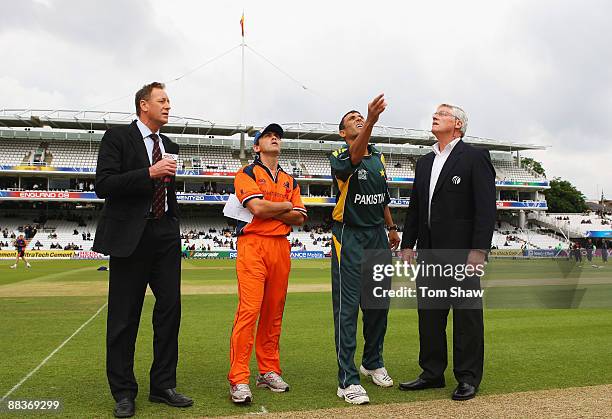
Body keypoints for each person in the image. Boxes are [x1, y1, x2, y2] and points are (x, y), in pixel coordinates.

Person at [93, 82, 192, 418]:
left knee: (170, 311)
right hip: (129, 237)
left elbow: (168, 189)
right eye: (162, 100)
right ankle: (123, 391)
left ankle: (163, 385)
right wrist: (149, 172)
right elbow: (103, 185)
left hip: (164, 234)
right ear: (143, 104)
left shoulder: (171, 144)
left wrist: (173, 223)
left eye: (169, 100)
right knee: (124, 317)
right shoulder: (117, 138)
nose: (168, 105)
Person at [399, 104, 496, 401]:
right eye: (434, 113)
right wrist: (407, 243)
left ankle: (467, 377)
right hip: (428, 252)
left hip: (462, 252)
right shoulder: (425, 161)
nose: (435, 115)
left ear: (457, 124)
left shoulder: (475, 157)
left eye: (442, 113)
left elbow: (485, 208)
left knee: (466, 318)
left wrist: (479, 249)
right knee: (429, 316)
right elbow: (416, 207)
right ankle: (432, 373)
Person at [330, 94, 401, 405]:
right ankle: (346, 380)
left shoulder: (380, 157)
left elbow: (382, 196)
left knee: (378, 307)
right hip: (349, 236)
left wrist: (391, 227)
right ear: (343, 133)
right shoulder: (340, 155)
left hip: (376, 236)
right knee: (348, 309)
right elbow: (355, 158)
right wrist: (371, 120)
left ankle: (372, 362)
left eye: (361, 117)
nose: (358, 119)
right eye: (351, 120)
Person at [228, 123, 307, 404]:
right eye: (268, 136)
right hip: (253, 245)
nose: (275, 138)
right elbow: (257, 208)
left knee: (274, 313)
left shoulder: (290, 179)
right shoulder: (246, 173)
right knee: (249, 311)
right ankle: (238, 378)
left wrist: (279, 209)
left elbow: (300, 218)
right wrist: (285, 206)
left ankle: (268, 370)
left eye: (277, 136)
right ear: (257, 146)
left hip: (280, 248)